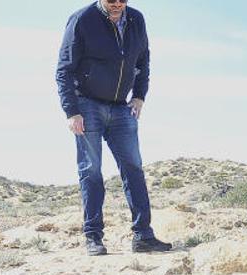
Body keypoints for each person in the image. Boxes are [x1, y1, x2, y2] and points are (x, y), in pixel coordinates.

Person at [56, 0, 172, 256]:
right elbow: (64, 69)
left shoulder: (136, 19)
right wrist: (71, 111)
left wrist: (140, 95)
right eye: (111, 0)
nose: (117, 4)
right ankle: (93, 238)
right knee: (92, 171)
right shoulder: (82, 19)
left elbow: (143, 59)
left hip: (121, 107)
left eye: (123, 0)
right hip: (87, 106)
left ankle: (143, 236)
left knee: (134, 169)